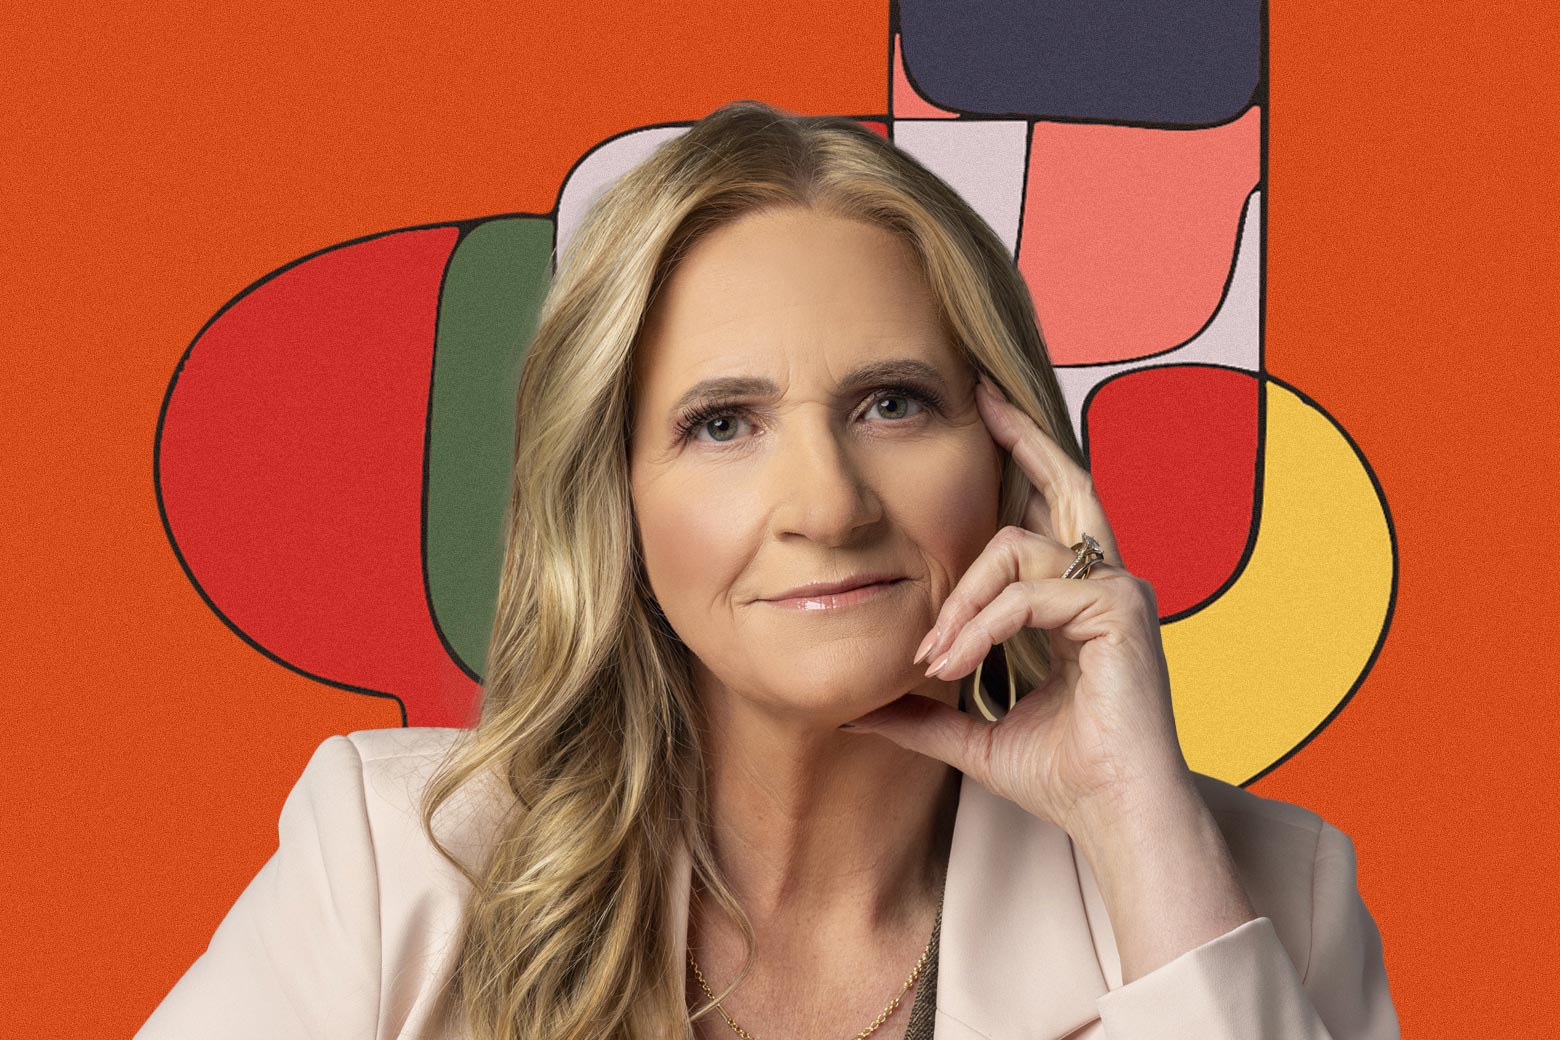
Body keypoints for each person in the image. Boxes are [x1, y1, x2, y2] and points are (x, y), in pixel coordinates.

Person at [136, 99, 1399, 1040]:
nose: (829, 505)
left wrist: (1137, 818)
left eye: (894, 403)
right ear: (616, 496)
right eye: (723, 423)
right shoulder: (394, 864)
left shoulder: (1265, 893)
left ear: (1016, 460)